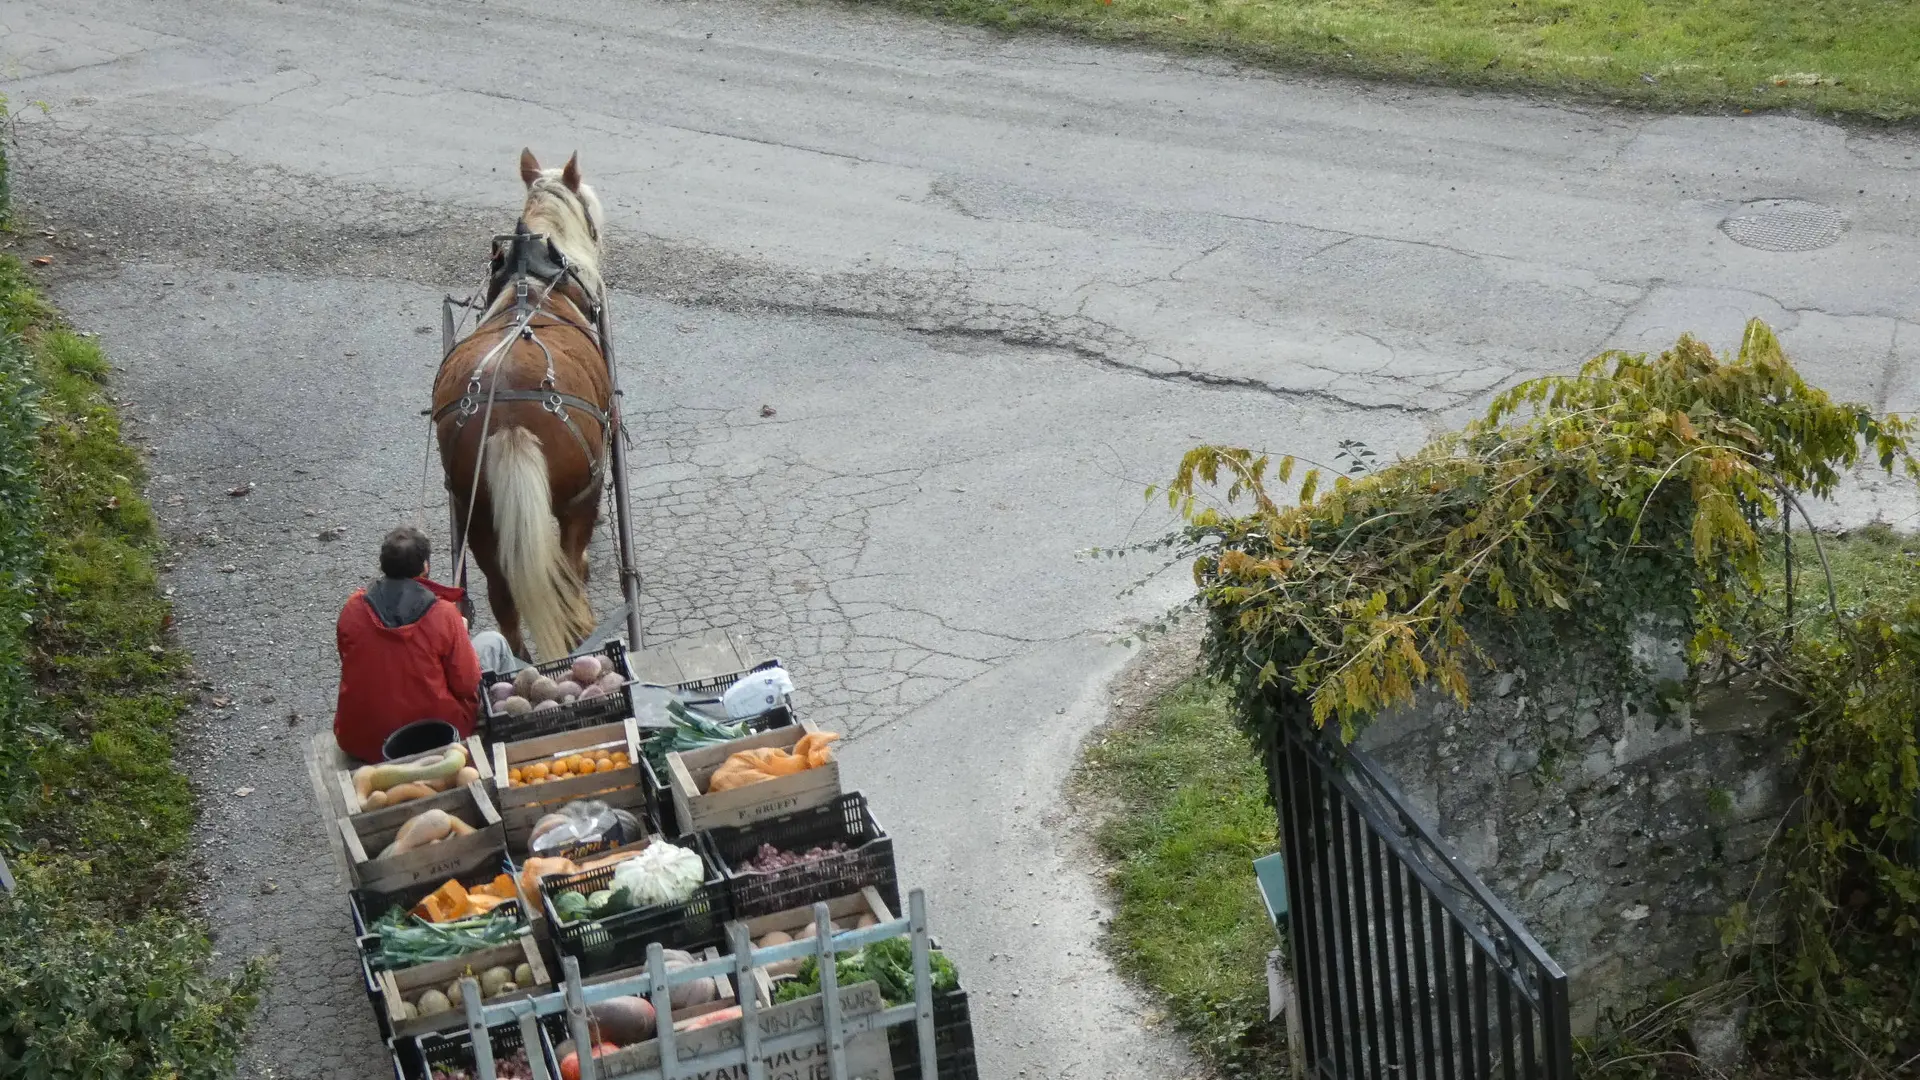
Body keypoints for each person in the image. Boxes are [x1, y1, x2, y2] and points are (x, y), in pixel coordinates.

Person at [333, 526, 521, 762]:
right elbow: (466, 684)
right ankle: (508, 741)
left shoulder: (353, 608)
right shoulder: (443, 614)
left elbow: (352, 659)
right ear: (425, 567)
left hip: (361, 740)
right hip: (437, 736)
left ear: (383, 566)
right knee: (494, 642)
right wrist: (459, 635)